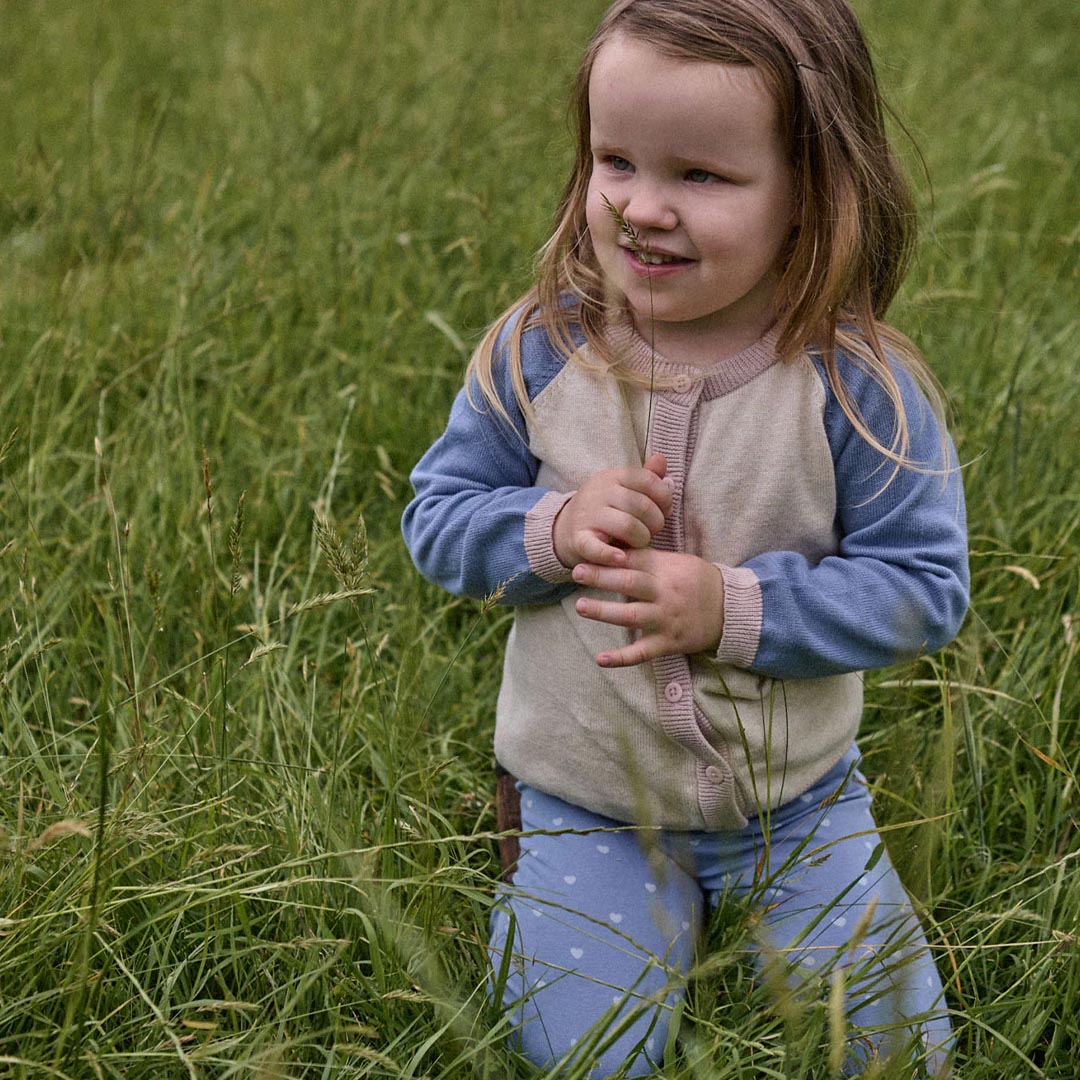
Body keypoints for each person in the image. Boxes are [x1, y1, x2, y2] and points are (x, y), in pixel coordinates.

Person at [401, 0, 969, 1074]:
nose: (641, 210)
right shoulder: (538, 351)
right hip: (590, 795)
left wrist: (733, 609)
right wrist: (551, 529)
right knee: (584, 1054)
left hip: (795, 804)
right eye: (615, 161)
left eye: (701, 176)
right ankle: (561, 864)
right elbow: (436, 520)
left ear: (811, 191)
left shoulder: (856, 387)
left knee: (897, 1053)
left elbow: (923, 586)